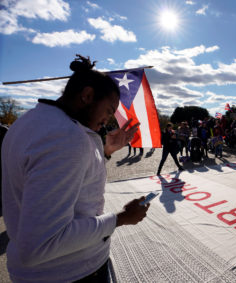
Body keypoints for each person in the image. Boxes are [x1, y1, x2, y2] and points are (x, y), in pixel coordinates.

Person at [1, 55, 150, 282]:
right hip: (72, 273)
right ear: (88, 96)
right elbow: (40, 245)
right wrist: (120, 218)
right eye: (109, 110)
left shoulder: (28, 122)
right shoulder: (66, 136)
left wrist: (105, 151)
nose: (109, 120)